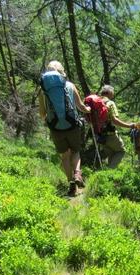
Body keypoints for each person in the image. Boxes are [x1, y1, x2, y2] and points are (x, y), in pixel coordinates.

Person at [38, 61, 90, 196]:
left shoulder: (43, 91)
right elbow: (80, 107)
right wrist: (88, 109)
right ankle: (78, 174)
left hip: (55, 127)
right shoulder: (70, 86)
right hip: (72, 125)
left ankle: (71, 184)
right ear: (62, 72)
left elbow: (42, 114)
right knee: (76, 151)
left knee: (64, 157)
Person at [98, 85, 136, 168]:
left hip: (100, 135)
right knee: (121, 151)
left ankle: (109, 177)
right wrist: (129, 125)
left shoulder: (98, 102)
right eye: (113, 92)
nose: (113, 94)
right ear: (109, 92)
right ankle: (110, 171)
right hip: (110, 134)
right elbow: (115, 121)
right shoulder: (110, 103)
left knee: (111, 154)